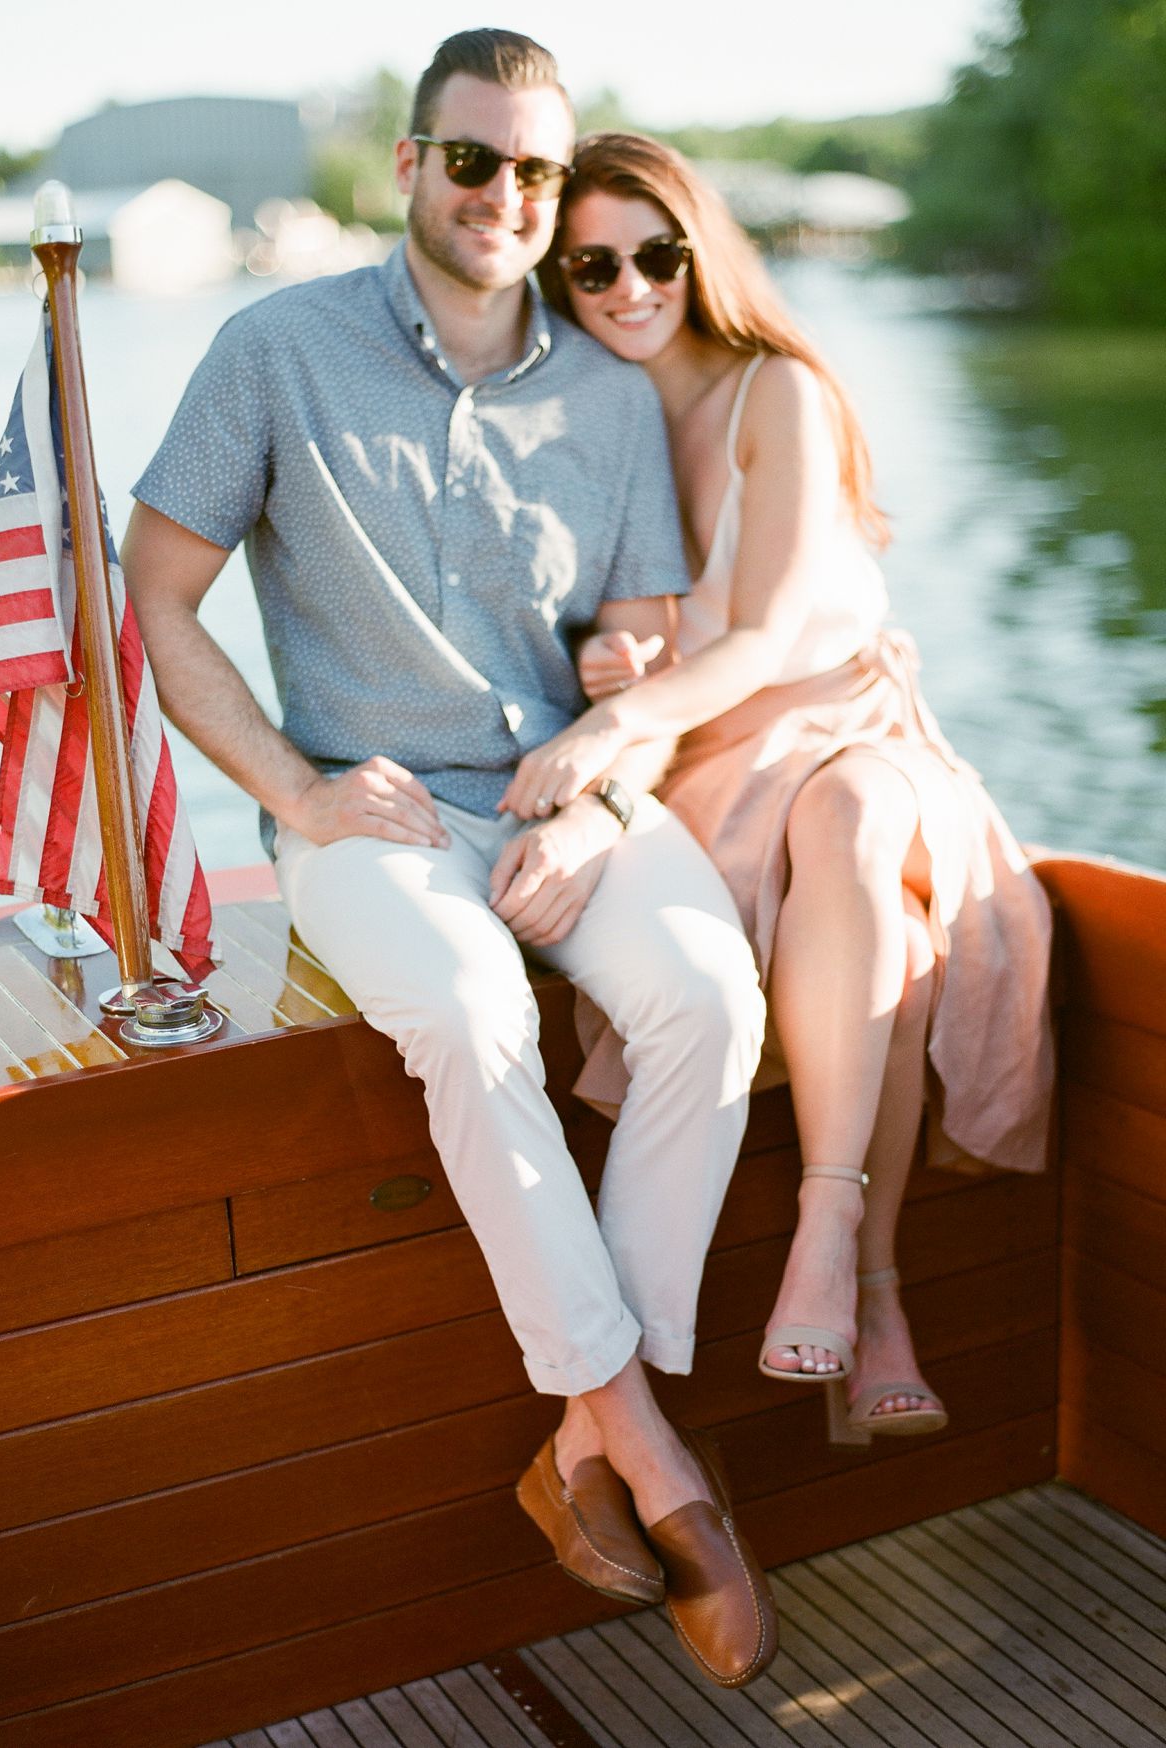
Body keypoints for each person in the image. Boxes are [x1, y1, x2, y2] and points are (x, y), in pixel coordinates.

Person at [121, 35, 776, 1690]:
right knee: (478, 1017)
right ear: (408, 167)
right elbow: (154, 594)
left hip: (568, 801)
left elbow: (633, 640)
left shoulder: (611, 394)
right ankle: (652, 1452)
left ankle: (577, 1447)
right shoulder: (278, 349)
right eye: (472, 160)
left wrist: (595, 794)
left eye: (536, 172)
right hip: (373, 815)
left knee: (709, 995)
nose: (505, 196)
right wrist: (295, 784)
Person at [507, 131, 1054, 1447]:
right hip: (707, 764)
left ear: (703, 253)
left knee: (855, 813)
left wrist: (612, 725)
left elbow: (764, 637)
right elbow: (616, 638)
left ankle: (830, 1222)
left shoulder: (779, 393)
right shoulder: (592, 424)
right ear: (558, 279)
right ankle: (878, 1305)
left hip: (849, 723)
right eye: (593, 265)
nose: (629, 285)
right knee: (891, 922)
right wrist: (604, 691)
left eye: (658, 254)